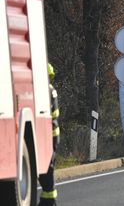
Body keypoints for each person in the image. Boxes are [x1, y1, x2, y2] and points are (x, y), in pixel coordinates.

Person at [39, 63, 60, 206]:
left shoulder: (45, 90)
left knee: (47, 168)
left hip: (49, 135)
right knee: (47, 167)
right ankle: (47, 200)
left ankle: (50, 201)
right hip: (52, 134)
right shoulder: (50, 89)